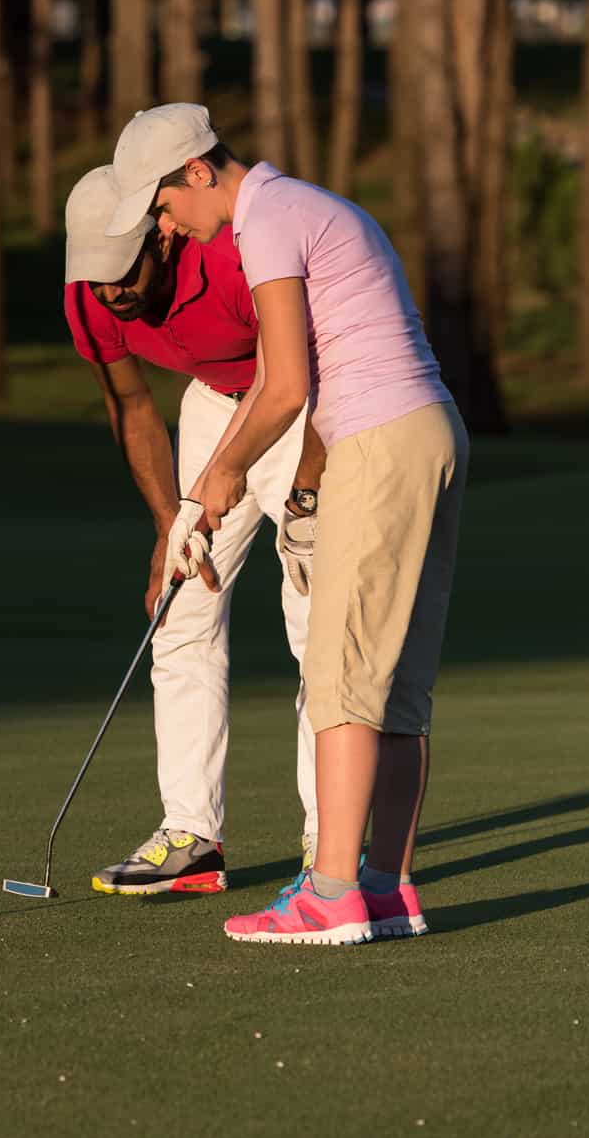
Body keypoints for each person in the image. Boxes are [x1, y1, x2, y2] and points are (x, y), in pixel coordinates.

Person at [104, 104, 468, 944]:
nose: (167, 229)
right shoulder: (308, 205)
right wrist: (203, 493)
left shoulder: (263, 221)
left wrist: (226, 473)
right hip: (433, 430)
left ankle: (333, 892)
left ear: (198, 170)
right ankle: (387, 886)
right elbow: (276, 365)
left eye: (162, 208)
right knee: (402, 690)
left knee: (342, 682)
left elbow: (286, 386)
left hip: (376, 441)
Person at [61, 164, 327, 896]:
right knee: (180, 610)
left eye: (124, 269)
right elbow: (132, 405)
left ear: (164, 234)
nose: (114, 290)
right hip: (214, 404)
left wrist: (303, 493)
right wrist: (165, 524)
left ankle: (324, 842)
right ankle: (192, 835)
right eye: (97, 275)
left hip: (300, 405)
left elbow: (319, 365)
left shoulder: (233, 254)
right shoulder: (89, 296)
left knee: (316, 619)